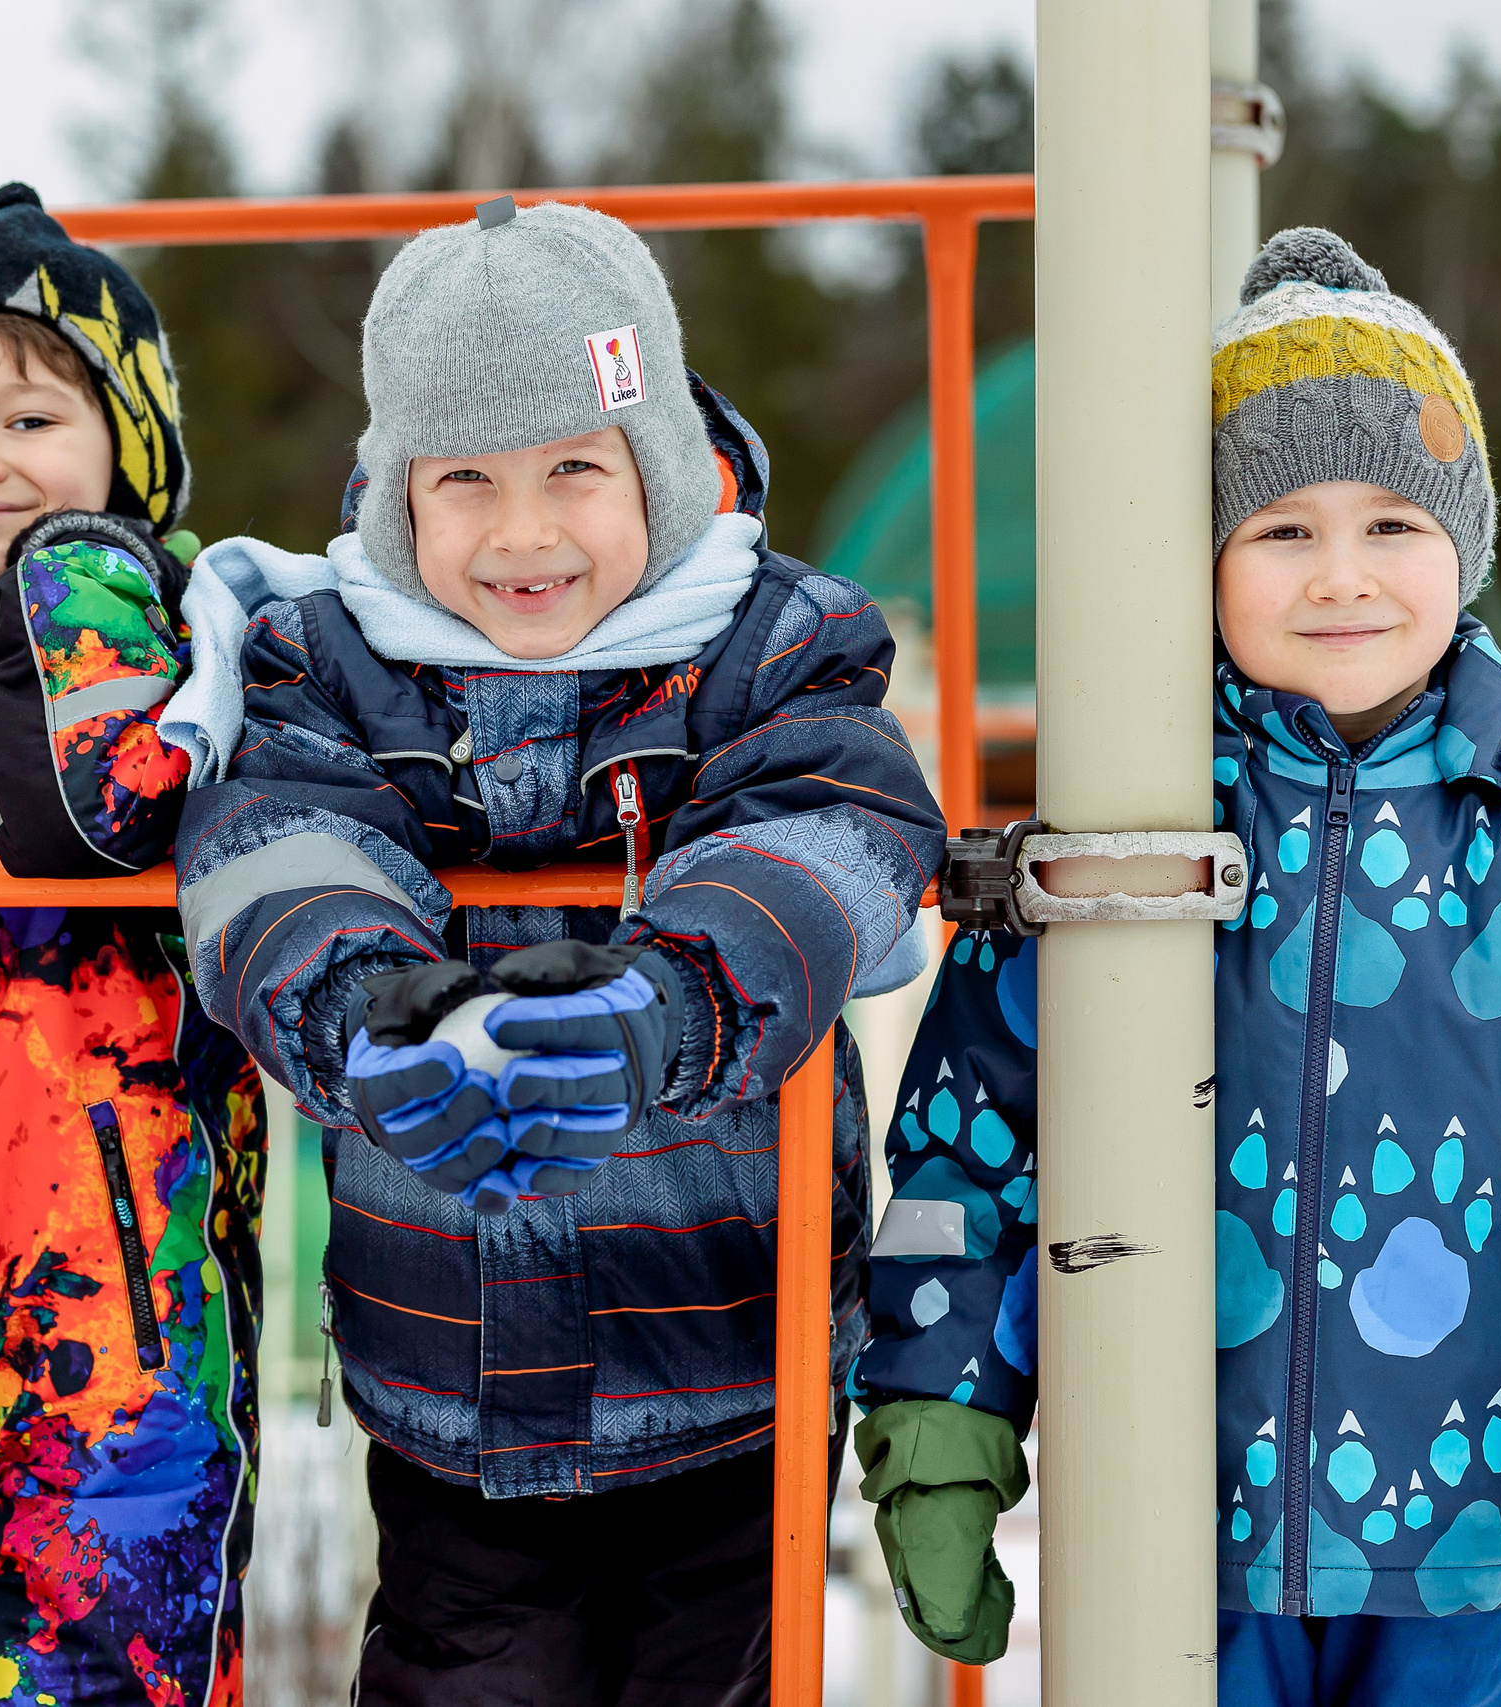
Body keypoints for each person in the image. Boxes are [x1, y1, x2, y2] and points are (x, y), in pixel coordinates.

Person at [852, 228, 1501, 1707]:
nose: (1342, 576)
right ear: (1201, 556)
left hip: (1459, 1551)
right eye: (1281, 530)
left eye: (1393, 524)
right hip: (1166, 1544)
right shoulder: (1123, 830)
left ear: (1461, 544)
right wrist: (941, 1418)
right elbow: (975, 1142)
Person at [166, 197, 944, 1705]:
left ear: (653, 467)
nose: (523, 537)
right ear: (400, 498)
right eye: (466, 484)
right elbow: (273, 848)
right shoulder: (330, 663)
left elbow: (834, 828)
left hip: (726, 1353)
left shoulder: (772, 648)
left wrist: (666, 1009)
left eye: (574, 473)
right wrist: (369, 1016)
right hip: (447, 1378)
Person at [0, 183, 263, 1707]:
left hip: (117, 1347)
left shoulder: (175, 648)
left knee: (98, 1679)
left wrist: (69, 580)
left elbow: (102, 806)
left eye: (29, 420)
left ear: (125, 455)